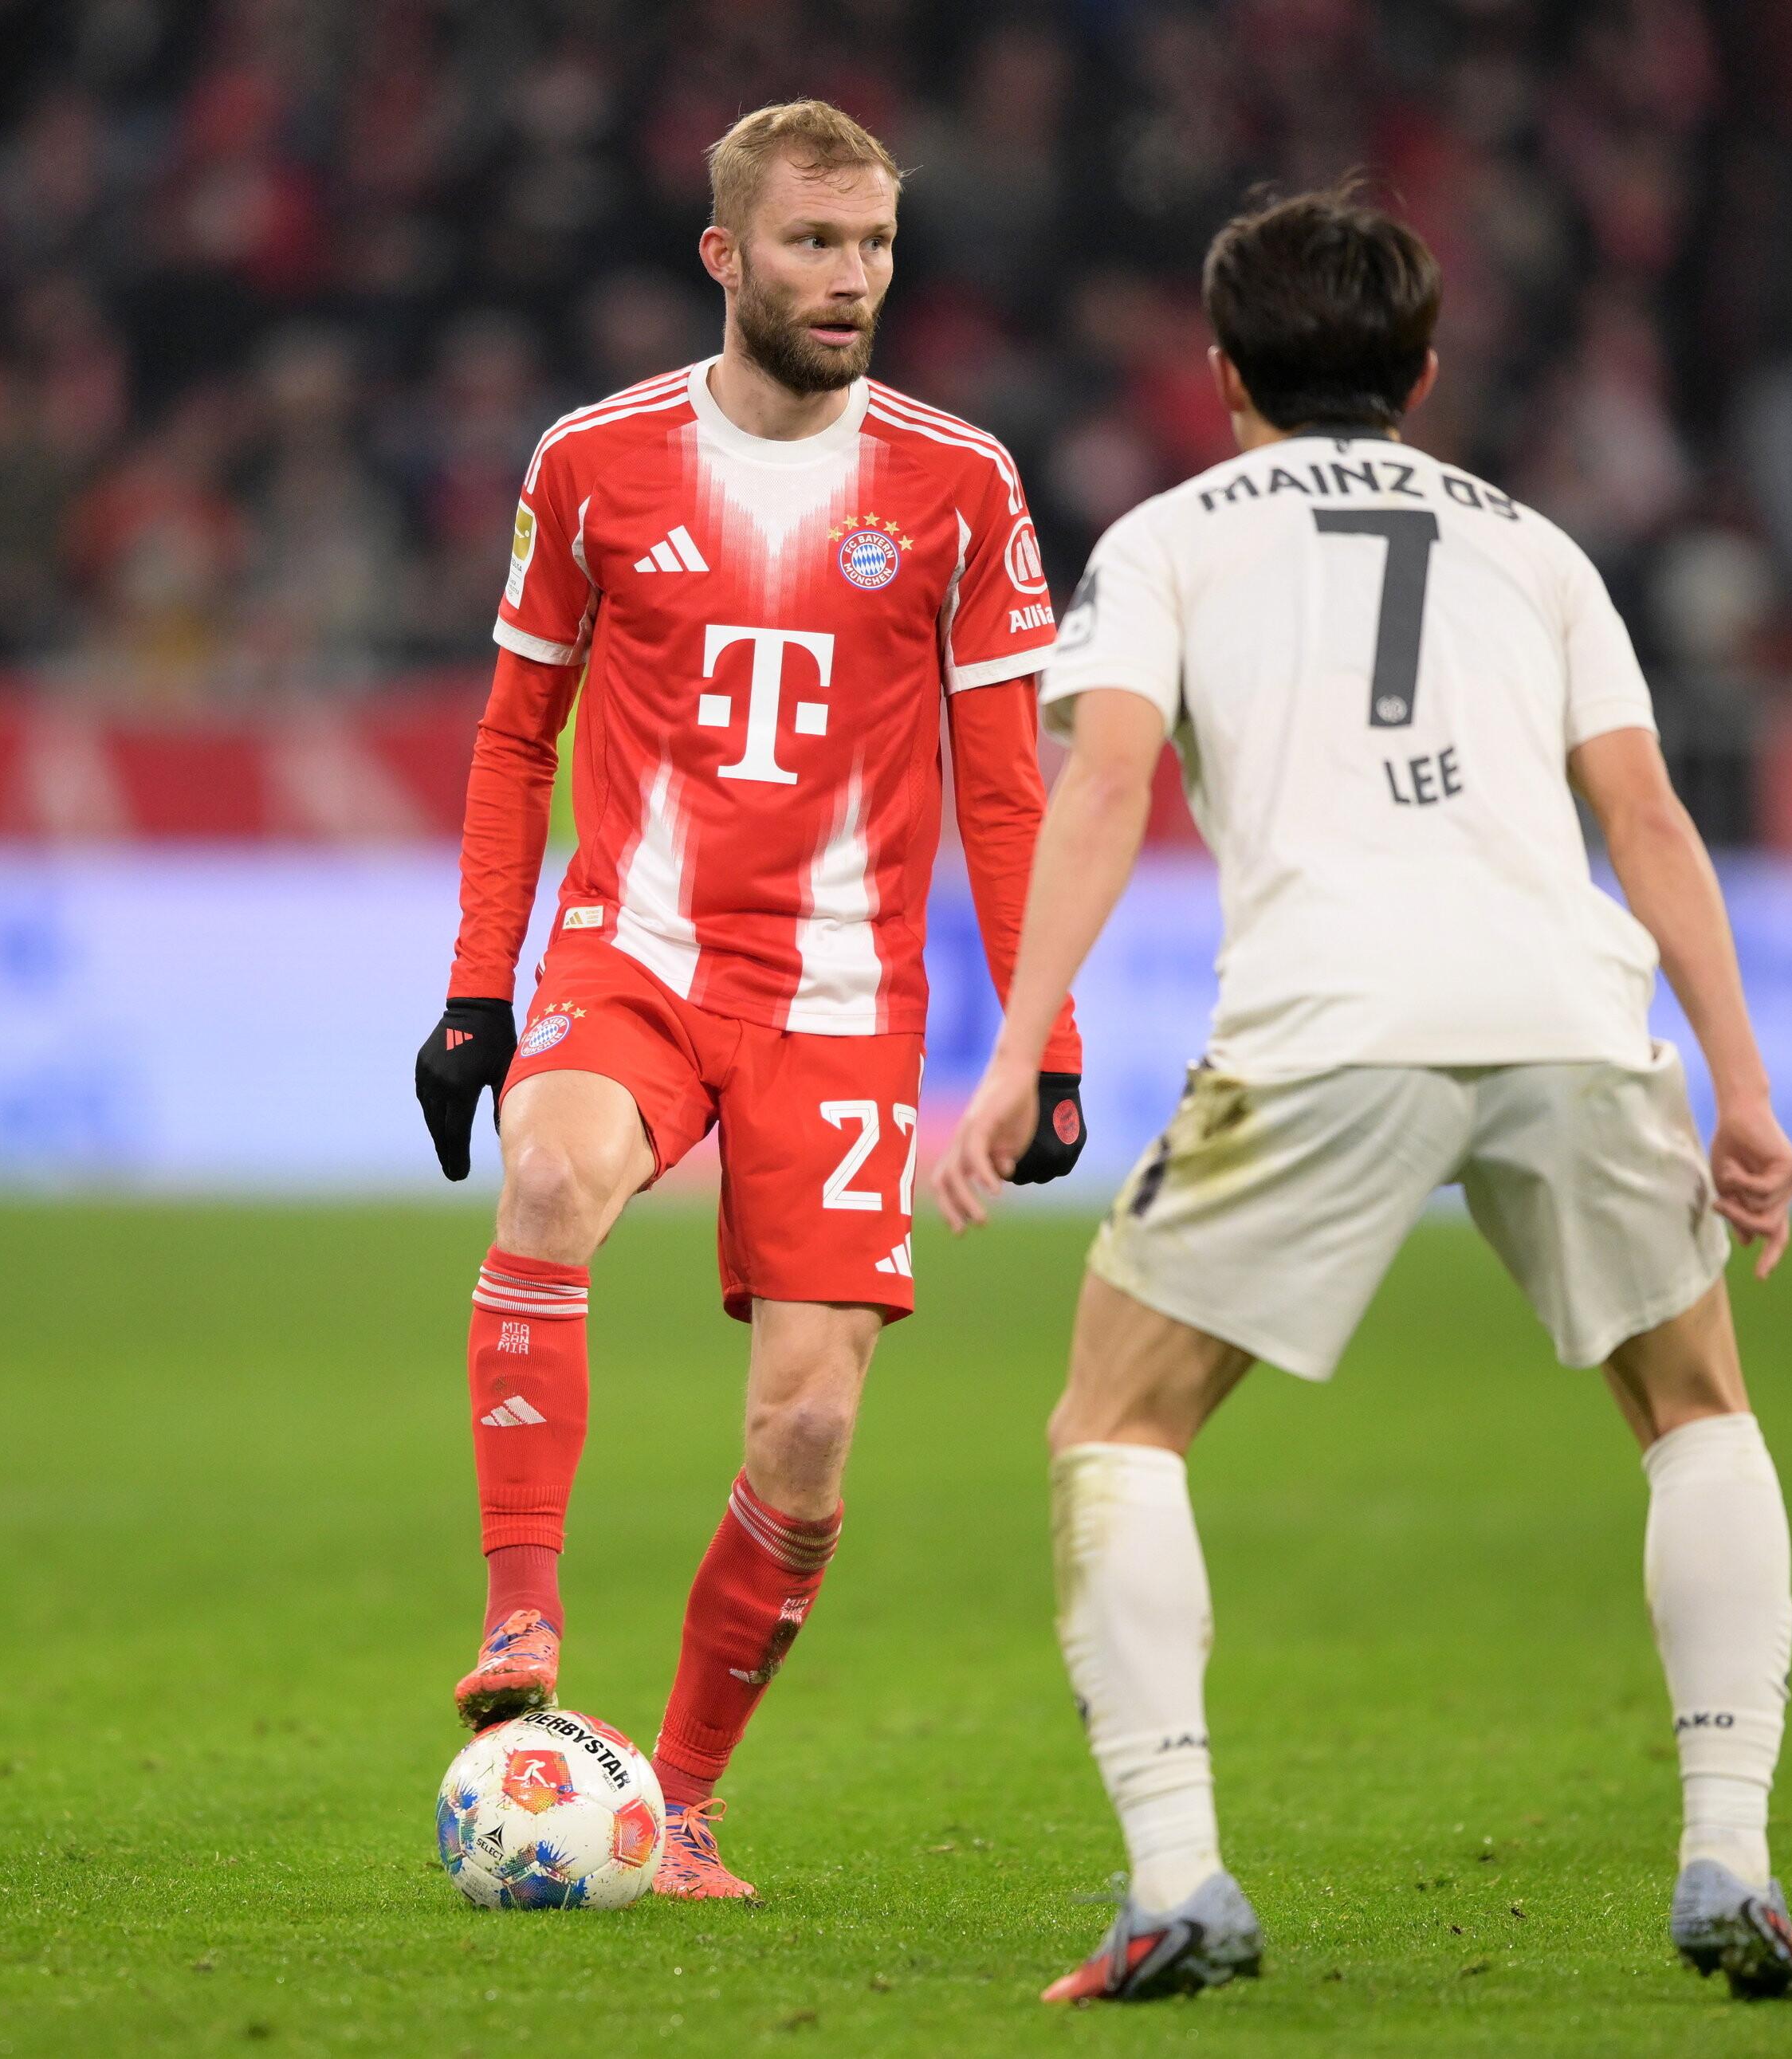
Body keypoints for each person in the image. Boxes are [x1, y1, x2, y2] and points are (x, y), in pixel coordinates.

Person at [930, 188, 1792, 2005]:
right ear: (1422, 370)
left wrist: (1018, 1045)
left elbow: (1096, 791)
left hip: (1329, 1015)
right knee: (1693, 1406)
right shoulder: (1536, 546)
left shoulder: (1170, 537)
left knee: (1116, 1422)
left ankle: (1176, 1878)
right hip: (1568, 1012)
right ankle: (1728, 1849)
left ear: (1219, 371)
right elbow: (1645, 818)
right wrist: (1739, 1083)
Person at [410, 100, 1089, 1901]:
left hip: (846, 1000)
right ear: (725, 256)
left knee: (805, 1430)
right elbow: (511, 737)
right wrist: (480, 994)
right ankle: (520, 1626)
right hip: (632, 956)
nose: (851, 278)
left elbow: (1008, 793)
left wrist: (1048, 1047)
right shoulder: (592, 462)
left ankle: (682, 1801)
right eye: (812, 244)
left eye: (872, 245)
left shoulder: (959, 485)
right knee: (546, 1183)